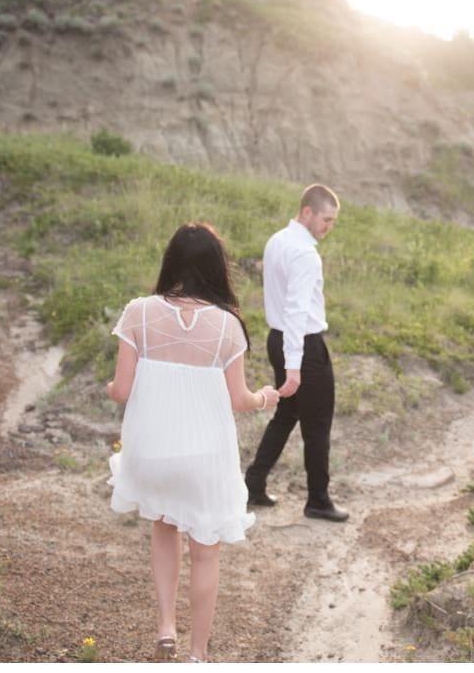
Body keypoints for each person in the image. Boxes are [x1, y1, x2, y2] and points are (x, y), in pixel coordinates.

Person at [106, 222, 281, 663]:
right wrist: (265, 398)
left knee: (163, 528)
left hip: (151, 453)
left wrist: (111, 386)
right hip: (205, 458)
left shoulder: (139, 313)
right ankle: (197, 655)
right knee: (206, 554)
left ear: (171, 262)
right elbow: (240, 400)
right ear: (215, 268)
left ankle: (166, 626)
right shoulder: (227, 327)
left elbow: (122, 391)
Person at [244, 184, 349, 522]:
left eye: (332, 221)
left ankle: (253, 484)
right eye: (326, 219)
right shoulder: (304, 253)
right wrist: (295, 365)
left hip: (278, 338)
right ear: (307, 211)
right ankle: (318, 500)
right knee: (317, 425)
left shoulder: (277, 240)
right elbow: (296, 310)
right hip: (301, 345)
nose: (328, 227)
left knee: (286, 415)